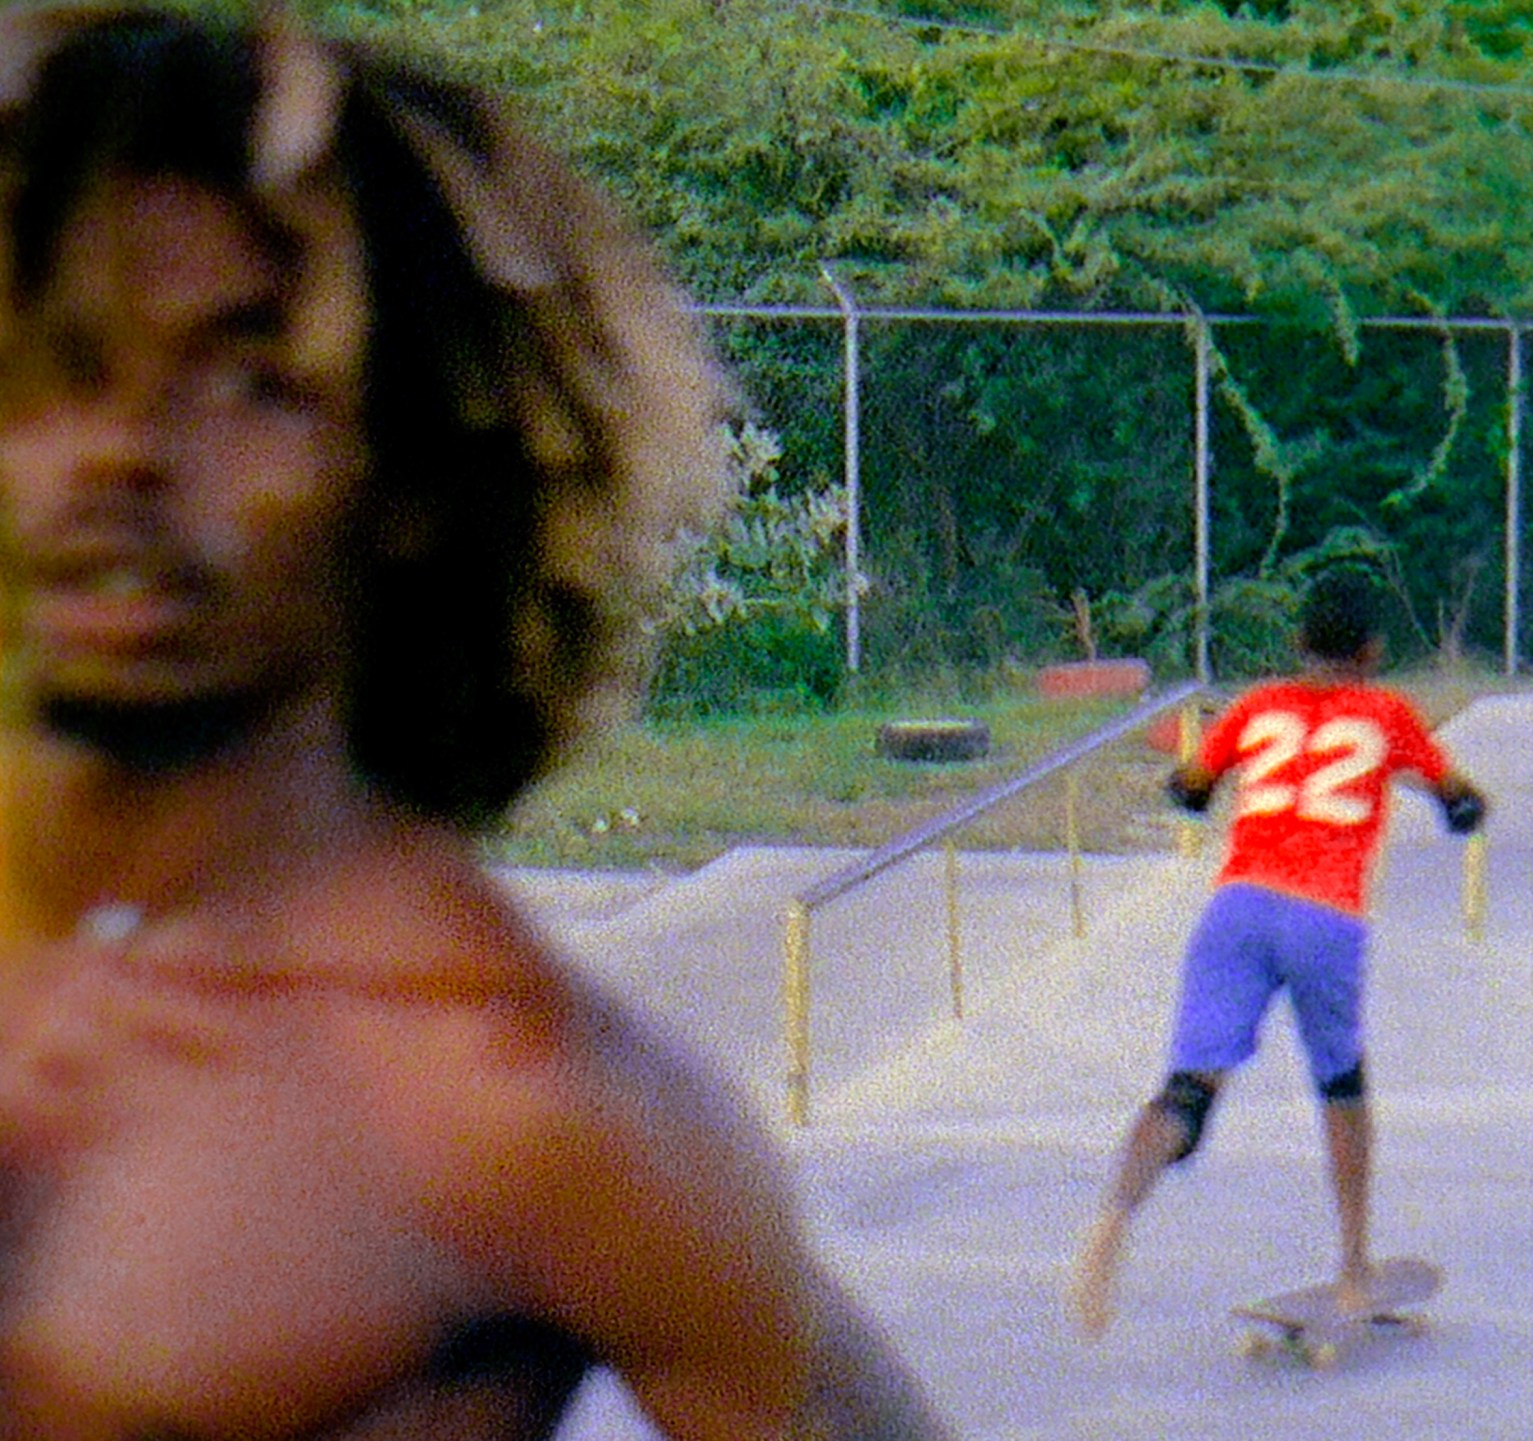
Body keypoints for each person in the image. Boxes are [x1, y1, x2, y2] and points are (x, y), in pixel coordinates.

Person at [0, 6, 955, 1439]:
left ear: (416, 474)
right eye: (69, 362)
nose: (125, 452)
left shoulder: (513, 1102)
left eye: (252, 377)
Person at [1067, 571, 1486, 1338]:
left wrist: (1204, 789)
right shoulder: (1386, 712)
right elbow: (1459, 795)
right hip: (1325, 915)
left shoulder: (1257, 706)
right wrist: (1461, 811)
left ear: (1297, 644)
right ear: (1372, 649)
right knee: (1341, 1084)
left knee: (1187, 1091)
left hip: (1237, 907)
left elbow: (1187, 788)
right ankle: (1355, 1264)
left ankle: (1112, 1220)